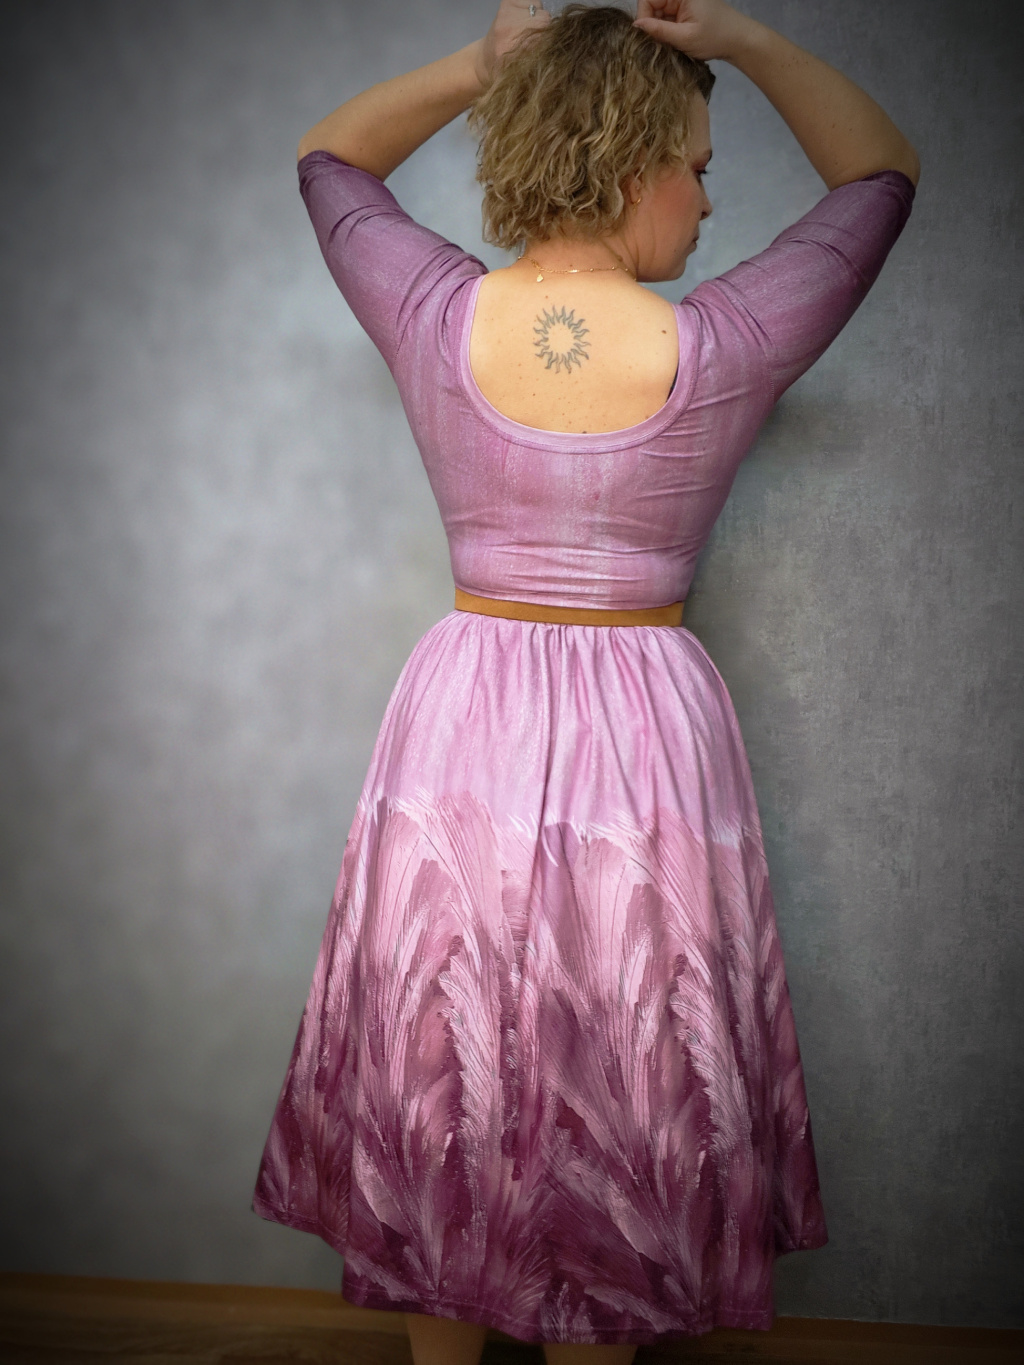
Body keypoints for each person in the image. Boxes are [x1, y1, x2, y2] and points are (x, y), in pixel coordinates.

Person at [252, 2, 919, 1362]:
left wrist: (482, 63)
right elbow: (881, 175)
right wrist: (746, 38)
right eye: (700, 165)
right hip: (645, 730)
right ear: (635, 160)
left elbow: (330, 159)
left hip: (462, 718)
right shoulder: (726, 343)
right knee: (620, 1061)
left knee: (443, 1049)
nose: (709, 201)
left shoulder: (431, 310)